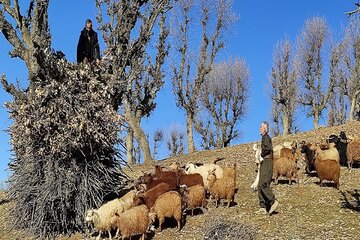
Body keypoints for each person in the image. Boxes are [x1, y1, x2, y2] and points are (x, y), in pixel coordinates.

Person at [256, 121, 279, 215]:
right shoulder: (264, 138)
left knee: (264, 183)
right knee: (260, 184)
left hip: (266, 161)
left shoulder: (266, 137)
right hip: (264, 161)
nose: (259, 129)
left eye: (261, 127)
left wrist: (262, 155)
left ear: (265, 128)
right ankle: (263, 207)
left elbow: (268, 148)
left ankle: (273, 201)